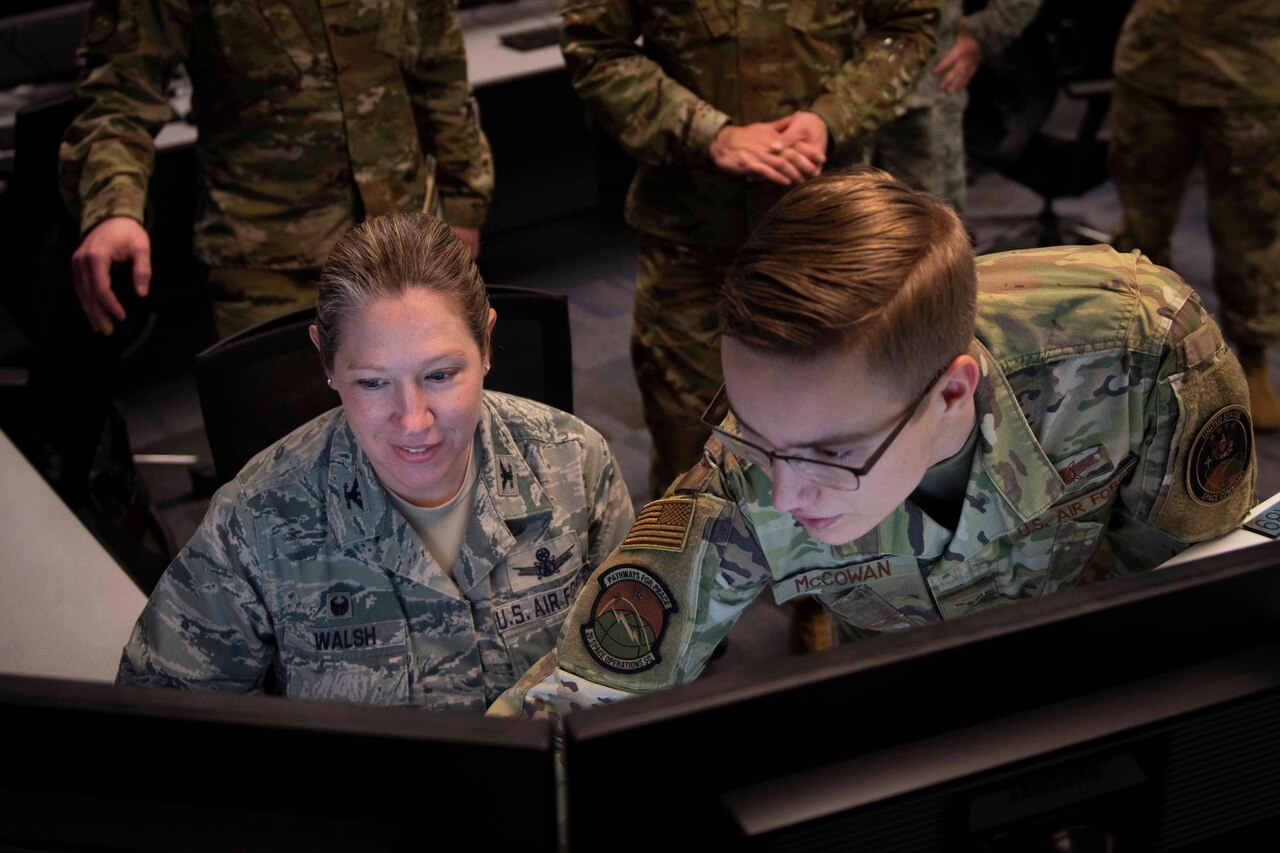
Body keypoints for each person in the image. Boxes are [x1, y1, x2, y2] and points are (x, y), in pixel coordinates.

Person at [490, 167, 1256, 717]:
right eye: (754, 433)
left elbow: (1196, 593)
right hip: (890, 696)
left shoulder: (1140, 347)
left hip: (1092, 674)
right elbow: (579, 692)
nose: (784, 496)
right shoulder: (749, 472)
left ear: (952, 392)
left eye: (829, 455)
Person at [117, 213, 634, 712]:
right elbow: (164, 713)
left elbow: (640, 658)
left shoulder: (575, 464)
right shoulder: (256, 518)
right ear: (326, 361)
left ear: (487, 342)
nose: (413, 421)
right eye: (372, 382)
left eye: (441, 375)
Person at [558, 0, 942, 499]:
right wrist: (706, 133)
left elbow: (908, 26)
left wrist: (833, 116)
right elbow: (595, 47)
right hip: (692, 238)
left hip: (827, 228)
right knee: (692, 446)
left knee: (839, 435)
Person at [60, 0, 493, 338]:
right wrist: (114, 207)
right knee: (281, 439)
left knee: (415, 429)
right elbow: (117, 95)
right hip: (269, 262)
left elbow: (442, 71)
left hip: (402, 245)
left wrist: (463, 202)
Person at [1107, 0, 1280, 428]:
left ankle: (1252, 357)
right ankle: (1134, 354)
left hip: (1251, 72)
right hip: (1154, 60)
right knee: (1142, 223)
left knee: (1250, 227)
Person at [870, 0, 1042, 209]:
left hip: (924, 93)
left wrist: (982, 33)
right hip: (836, 99)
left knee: (932, 220)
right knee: (843, 221)